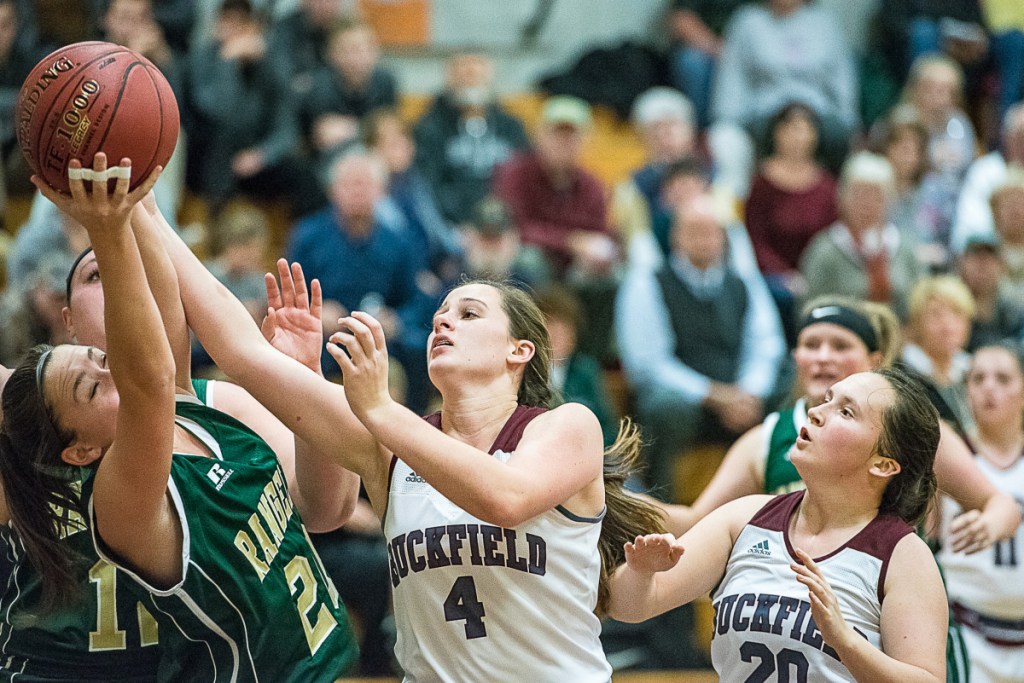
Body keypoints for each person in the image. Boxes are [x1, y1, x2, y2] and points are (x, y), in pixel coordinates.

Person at [155, 207, 667, 680]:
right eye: (440, 314)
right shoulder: (390, 448)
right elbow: (241, 351)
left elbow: (506, 499)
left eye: (468, 314)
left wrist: (378, 410)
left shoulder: (566, 427)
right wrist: (143, 208)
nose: (443, 321)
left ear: (520, 350)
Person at [0, 155, 359, 680]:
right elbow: (148, 372)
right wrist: (114, 224)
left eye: (132, 264)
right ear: (67, 317)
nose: (128, 277)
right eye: (98, 272)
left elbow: (330, 509)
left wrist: (301, 383)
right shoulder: (24, 423)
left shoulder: (201, 402)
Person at [609, 367, 948, 681]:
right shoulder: (744, 518)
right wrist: (641, 572)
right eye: (828, 399)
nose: (817, 411)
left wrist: (845, 641)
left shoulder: (903, 555)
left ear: (883, 465)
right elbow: (628, 606)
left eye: (846, 411)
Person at [615, 194, 785, 500]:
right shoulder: (648, 282)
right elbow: (648, 364)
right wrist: (712, 395)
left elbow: (766, 344)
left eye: (711, 230)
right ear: (675, 237)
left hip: (742, 398)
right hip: (688, 401)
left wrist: (749, 391)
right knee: (663, 406)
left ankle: (779, 500)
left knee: (791, 389)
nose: (704, 238)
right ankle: (661, 506)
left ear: (723, 237)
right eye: (694, 230)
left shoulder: (743, 281)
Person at [939, 343, 1024, 683]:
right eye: (978, 379)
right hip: (969, 632)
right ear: (966, 392)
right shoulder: (950, 456)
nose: (990, 387)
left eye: (1003, 378)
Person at [800, 151, 928, 322]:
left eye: (876, 195)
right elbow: (810, 308)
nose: (867, 204)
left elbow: (921, 305)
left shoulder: (904, 247)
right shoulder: (826, 249)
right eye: (860, 194)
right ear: (843, 198)